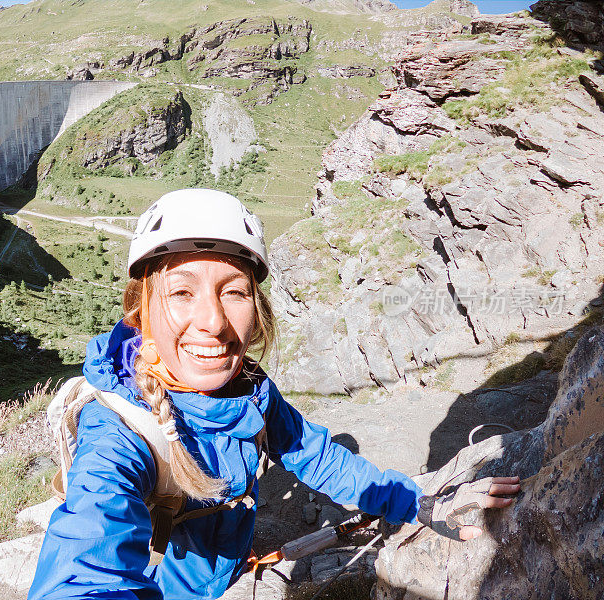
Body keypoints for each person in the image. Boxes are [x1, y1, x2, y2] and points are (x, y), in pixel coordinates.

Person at [28, 189, 519, 600]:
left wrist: (418, 503)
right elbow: (85, 564)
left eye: (234, 292)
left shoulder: (250, 391)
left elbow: (319, 457)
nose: (215, 322)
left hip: (222, 577)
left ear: (256, 307)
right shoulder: (118, 436)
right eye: (182, 293)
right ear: (141, 311)